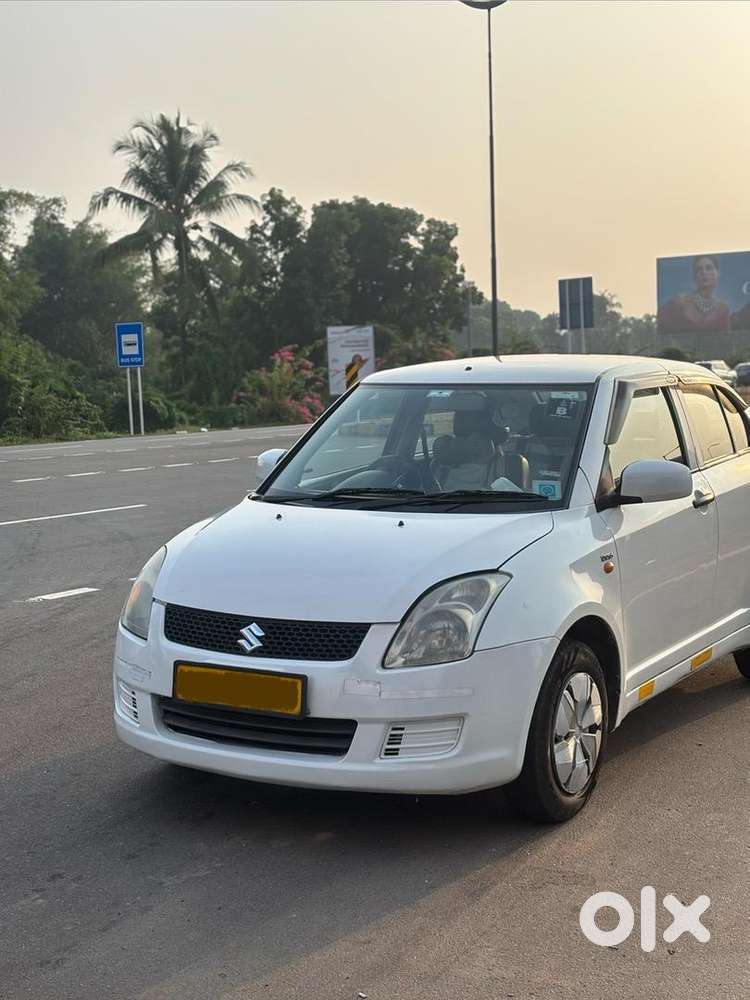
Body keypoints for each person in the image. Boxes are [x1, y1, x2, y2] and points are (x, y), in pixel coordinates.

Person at [658, 254, 731, 334]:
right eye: (699, 269)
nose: (704, 272)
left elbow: (727, 338)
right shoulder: (680, 303)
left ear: (717, 273)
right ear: (695, 276)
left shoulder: (723, 309)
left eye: (708, 268)